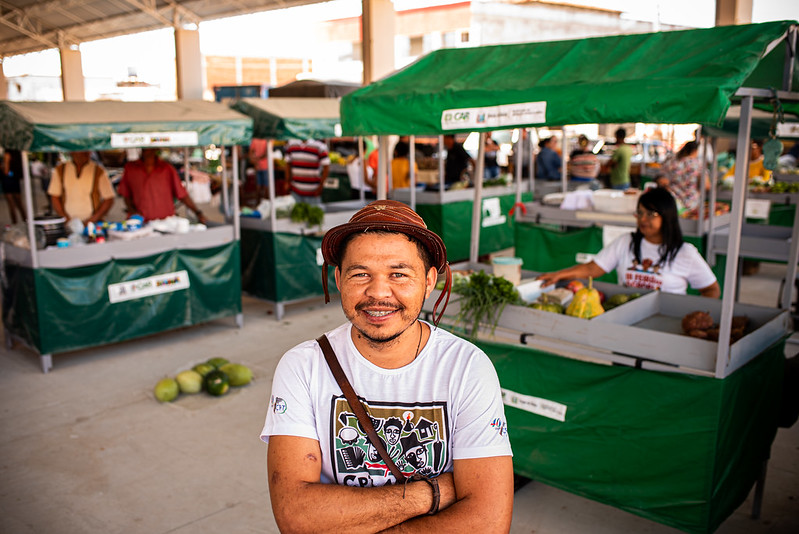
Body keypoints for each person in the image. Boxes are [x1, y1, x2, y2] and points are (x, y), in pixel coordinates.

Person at [261, 200, 514, 532]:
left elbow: (488, 522)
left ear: (429, 280)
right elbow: (296, 517)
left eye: (399, 274)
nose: (378, 292)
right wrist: (432, 493)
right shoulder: (303, 366)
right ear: (338, 279)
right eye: (360, 274)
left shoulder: (466, 367)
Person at [538, 187, 720, 298]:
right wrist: (559, 275)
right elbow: (593, 269)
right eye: (640, 213)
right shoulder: (626, 243)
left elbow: (712, 290)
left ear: (667, 217)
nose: (643, 219)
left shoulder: (684, 253)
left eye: (651, 214)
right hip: (626, 317)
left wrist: (699, 314)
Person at [117, 148, 207, 224]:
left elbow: (182, 194)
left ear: (156, 149)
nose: (147, 151)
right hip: (140, 223)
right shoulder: (130, 168)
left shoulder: (167, 169)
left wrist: (198, 212)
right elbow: (126, 195)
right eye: (145, 148)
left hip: (165, 222)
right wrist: (132, 211)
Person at [47, 151, 115, 225]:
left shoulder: (99, 171)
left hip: (93, 224)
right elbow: (54, 197)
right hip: (67, 224)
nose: (86, 153)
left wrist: (92, 220)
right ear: (72, 152)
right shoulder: (60, 170)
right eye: (81, 151)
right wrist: (66, 219)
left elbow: (109, 199)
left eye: (87, 151)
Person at [659, 141, 710, 211]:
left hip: (672, 201)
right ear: (694, 151)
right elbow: (706, 185)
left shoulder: (671, 160)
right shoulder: (697, 164)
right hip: (691, 203)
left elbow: (661, 178)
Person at [286, 137, 330, 204]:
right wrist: (287, 181)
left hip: (313, 191)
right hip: (295, 190)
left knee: (313, 213)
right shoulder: (291, 145)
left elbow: (326, 167)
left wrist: (320, 186)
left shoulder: (320, 147)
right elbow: (288, 164)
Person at [2, 149, 27, 224]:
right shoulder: (17, 154)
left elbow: (6, 171)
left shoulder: (7, 154)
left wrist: (2, 167)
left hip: (8, 181)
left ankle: (14, 223)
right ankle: (25, 221)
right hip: (15, 180)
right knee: (19, 203)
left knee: (11, 204)